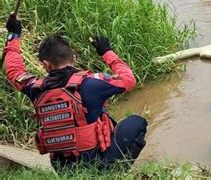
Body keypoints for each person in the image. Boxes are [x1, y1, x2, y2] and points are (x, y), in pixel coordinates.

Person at [3, 15, 147, 171]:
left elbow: (14, 71)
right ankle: (115, 171)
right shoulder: (91, 83)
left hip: (62, 168)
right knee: (137, 122)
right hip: (97, 165)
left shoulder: (35, 88)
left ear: (45, 64)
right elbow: (129, 79)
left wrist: (13, 36)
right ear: (74, 58)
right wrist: (107, 52)